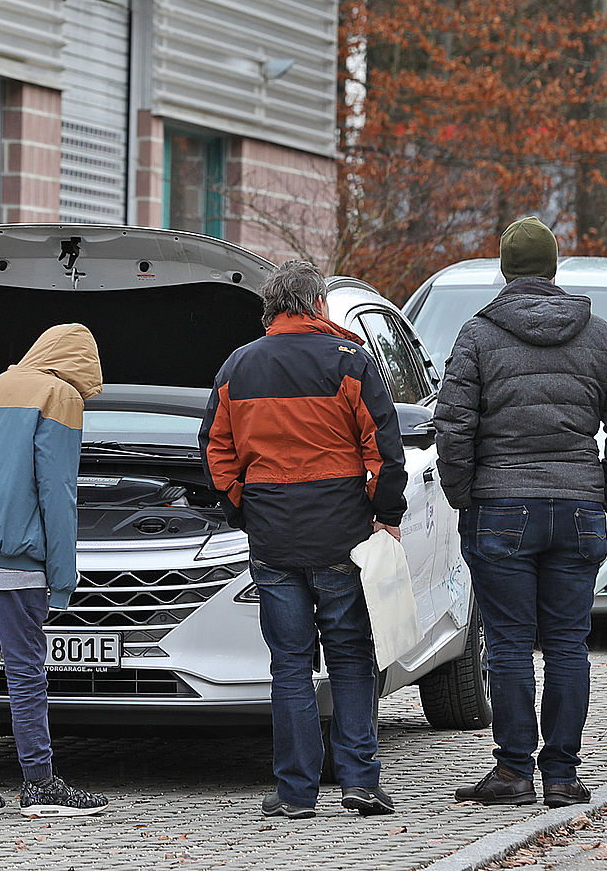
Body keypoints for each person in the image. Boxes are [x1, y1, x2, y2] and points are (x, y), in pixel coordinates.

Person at [433, 216, 607, 808]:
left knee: (506, 644)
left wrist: (464, 494)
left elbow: (453, 427)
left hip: (500, 506)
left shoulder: (478, 335)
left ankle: (512, 772)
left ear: (505, 270)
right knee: (567, 644)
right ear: (555, 270)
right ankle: (561, 774)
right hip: (577, 507)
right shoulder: (598, 335)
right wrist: (605, 492)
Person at [199, 259, 406, 820]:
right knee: (351, 659)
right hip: (341, 537)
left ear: (271, 309)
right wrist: (384, 512)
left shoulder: (236, 369)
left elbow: (216, 452)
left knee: (289, 665)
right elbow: (385, 451)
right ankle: (360, 781)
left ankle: (295, 792)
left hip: (273, 540)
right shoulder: (349, 362)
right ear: (318, 306)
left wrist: (242, 505)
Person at [0, 323, 109, 818]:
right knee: (27, 674)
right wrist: (63, 578)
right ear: (79, 366)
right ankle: (39, 782)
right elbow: (57, 494)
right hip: (18, 560)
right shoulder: (58, 395)